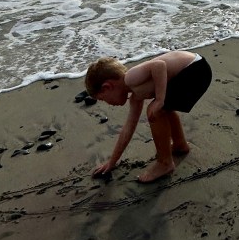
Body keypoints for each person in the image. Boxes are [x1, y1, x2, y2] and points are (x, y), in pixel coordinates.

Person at [84, 50, 212, 183]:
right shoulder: (135, 97)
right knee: (164, 109)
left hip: (196, 69)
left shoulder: (130, 78)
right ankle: (180, 145)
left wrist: (159, 100)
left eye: (103, 99)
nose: (108, 104)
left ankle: (165, 163)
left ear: (107, 87)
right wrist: (112, 162)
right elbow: (128, 128)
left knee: (156, 110)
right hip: (194, 70)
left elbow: (159, 65)